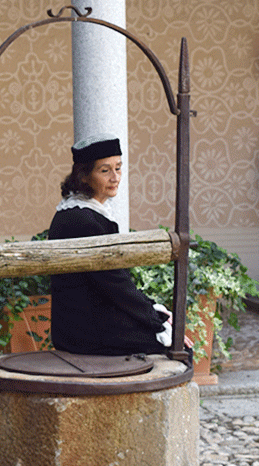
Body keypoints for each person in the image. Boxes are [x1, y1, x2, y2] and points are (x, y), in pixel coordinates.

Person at [47, 134, 176, 356]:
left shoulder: (83, 214)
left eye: (118, 168)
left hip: (86, 322)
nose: (115, 177)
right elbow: (114, 284)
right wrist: (154, 319)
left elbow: (114, 282)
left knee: (169, 332)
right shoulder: (83, 221)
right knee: (176, 347)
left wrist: (152, 310)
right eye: (105, 170)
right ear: (84, 176)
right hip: (85, 331)